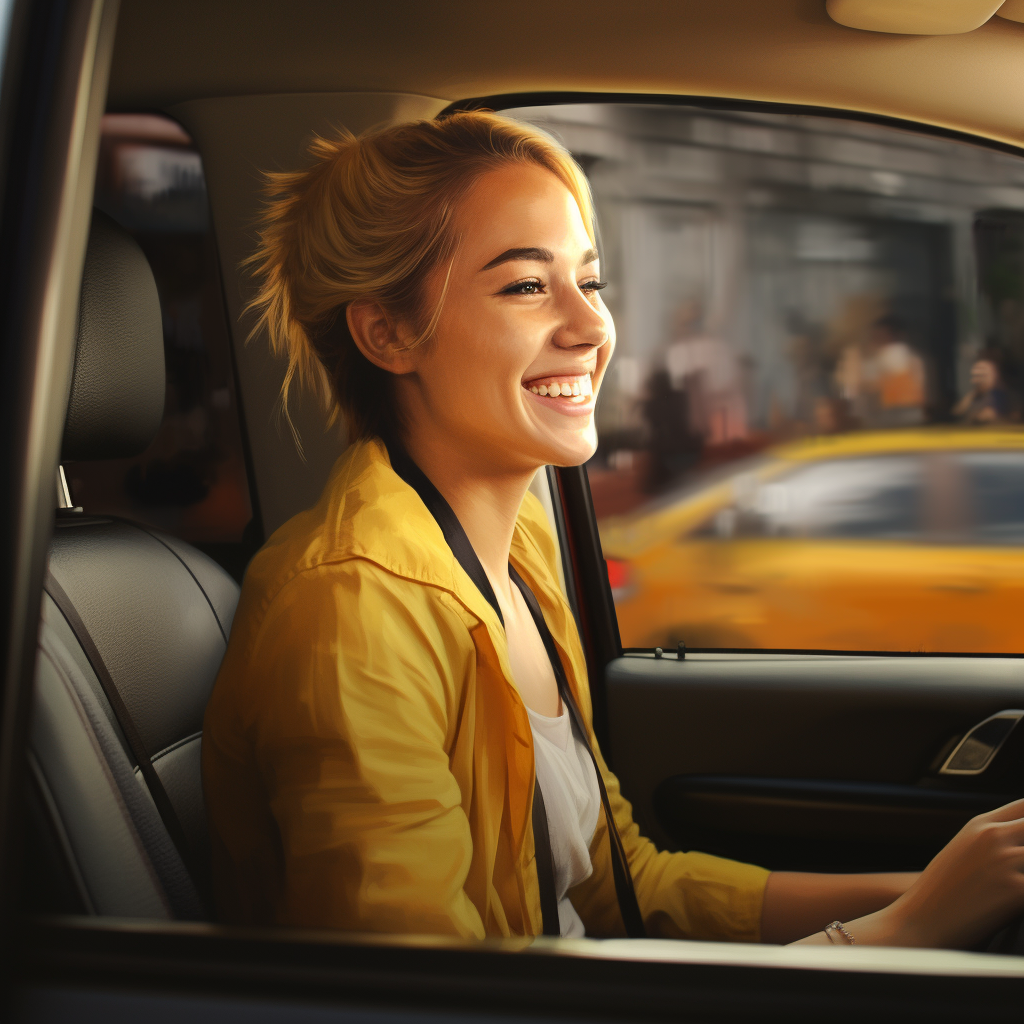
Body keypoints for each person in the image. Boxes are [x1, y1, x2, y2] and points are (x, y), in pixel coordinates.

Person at [202, 111, 1024, 948]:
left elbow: (619, 886)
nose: (592, 328)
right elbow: (425, 1000)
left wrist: (928, 894)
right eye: (527, 285)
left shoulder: (516, 553)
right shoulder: (354, 613)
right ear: (389, 332)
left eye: (588, 283)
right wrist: (903, 933)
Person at [954, 355, 1012, 424]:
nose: (977, 380)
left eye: (982, 375)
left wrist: (995, 418)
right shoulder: (973, 396)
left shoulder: (1005, 397)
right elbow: (956, 414)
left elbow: (1015, 419)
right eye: (975, 376)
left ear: (994, 375)